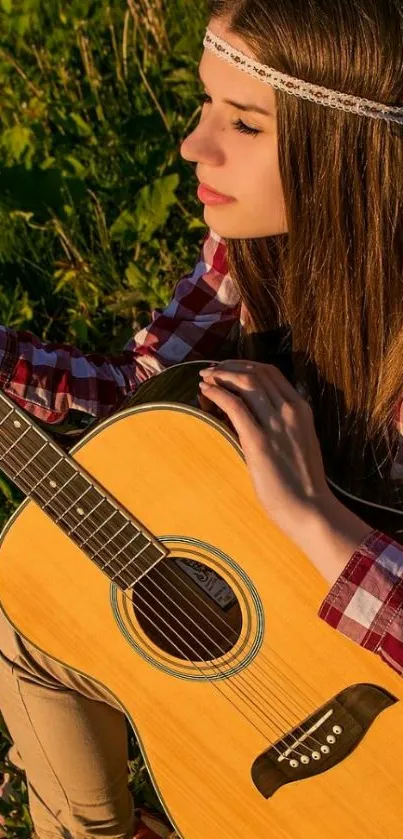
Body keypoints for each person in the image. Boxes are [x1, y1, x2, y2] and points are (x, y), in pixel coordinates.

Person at [1, 0, 403, 836]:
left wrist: (315, 520)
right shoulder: (252, 245)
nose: (193, 144)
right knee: (27, 602)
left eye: (245, 124)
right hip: (292, 624)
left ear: (351, 154)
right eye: (203, 103)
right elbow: (139, 389)